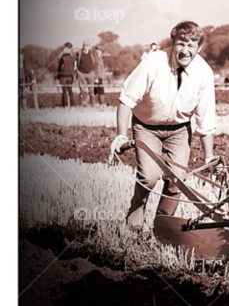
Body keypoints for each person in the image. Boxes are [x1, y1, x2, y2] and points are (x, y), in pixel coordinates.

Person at [110, 20, 217, 231]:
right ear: (172, 43)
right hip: (146, 126)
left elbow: (206, 117)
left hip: (179, 129)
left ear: (199, 48)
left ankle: (162, 227)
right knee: (149, 178)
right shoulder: (153, 63)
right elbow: (126, 100)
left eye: (191, 45)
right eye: (181, 44)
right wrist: (121, 135)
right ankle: (136, 214)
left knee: (177, 180)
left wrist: (208, 155)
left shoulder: (204, 73)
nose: (185, 50)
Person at [76, 40, 101, 107]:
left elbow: (96, 64)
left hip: (91, 72)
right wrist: (77, 72)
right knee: (82, 89)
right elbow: (76, 63)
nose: (86, 47)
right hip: (81, 73)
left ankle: (93, 104)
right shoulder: (79, 53)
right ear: (83, 46)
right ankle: (82, 104)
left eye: (87, 45)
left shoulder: (92, 53)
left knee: (91, 89)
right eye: (85, 45)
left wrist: (96, 74)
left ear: (89, 46)